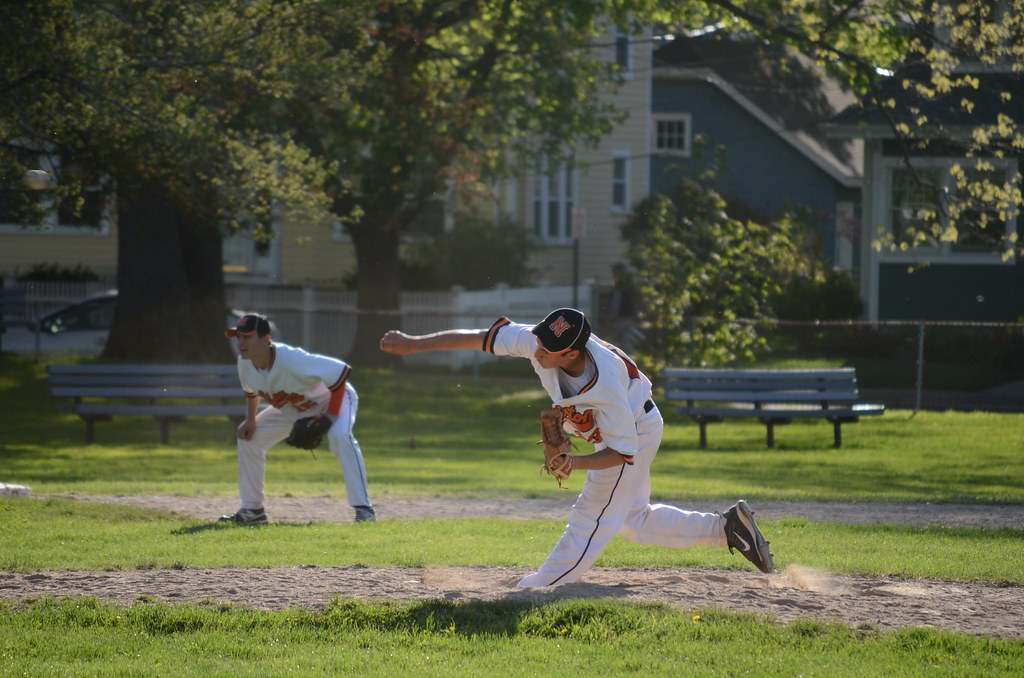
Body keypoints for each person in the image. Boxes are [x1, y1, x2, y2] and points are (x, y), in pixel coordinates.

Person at [379, 308, 774, 586]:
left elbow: (622, 452)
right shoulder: (541, 341)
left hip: (634, 428)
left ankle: (544, 584)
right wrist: (413, 345)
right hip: (619, 428)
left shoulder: (605, 384)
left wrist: (574, 463)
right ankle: (727, 529)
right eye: (540, 340)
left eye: (548, 349)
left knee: (592, 513)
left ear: (571, 352)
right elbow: (478, 338)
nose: (537, 350)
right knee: (632, 521)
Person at [220, 314, 375, 524]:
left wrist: (330, 415)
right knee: (249, 438)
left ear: (266, 339)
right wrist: (250, 420)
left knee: (341, 437)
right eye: (238, 337)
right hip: (293, 408)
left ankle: (364, 509)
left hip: (332, 399)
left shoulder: (290, 359)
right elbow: (251, 391)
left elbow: (340, 373)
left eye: (247, 336)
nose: (240, 342)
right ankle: (252, 511)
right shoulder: (245, 363)